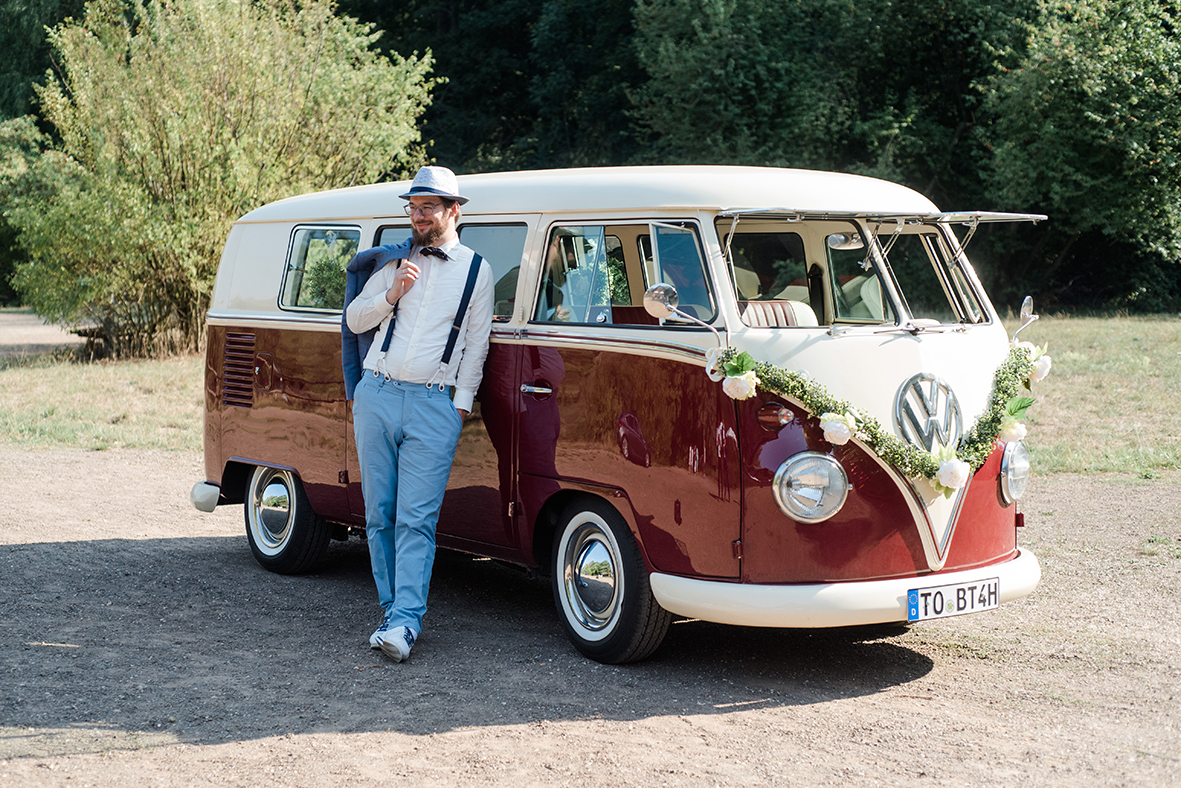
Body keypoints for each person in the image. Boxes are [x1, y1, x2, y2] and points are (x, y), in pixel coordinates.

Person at [343, 166, 494, 663]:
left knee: (416, 518)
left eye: (427, 207)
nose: (418, 215)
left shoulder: (477, 270)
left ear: (453, 210)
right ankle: (392, 612)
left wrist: (459, 407)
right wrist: (392, 293)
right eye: (413, 206)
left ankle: (406, 622)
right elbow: (354, 320)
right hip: (378, 394)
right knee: (378, 515)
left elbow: (476, 345)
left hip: (434, 405)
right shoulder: (394, 261)